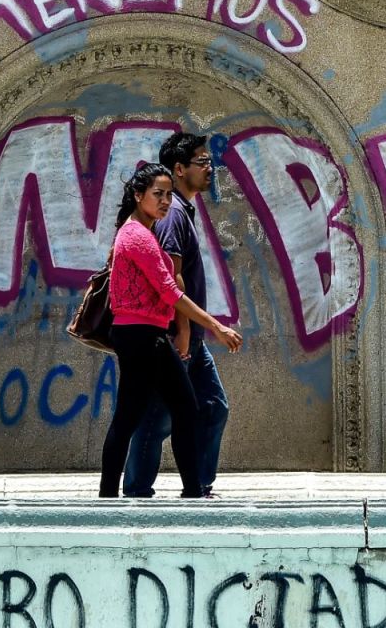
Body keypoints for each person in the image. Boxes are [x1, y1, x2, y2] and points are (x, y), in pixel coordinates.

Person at [100, 163, 242, 498]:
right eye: (157, 195)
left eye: (168, 195)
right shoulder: (136, 235)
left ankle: (120, 495)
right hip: (142, 337)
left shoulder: (140, 232)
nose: (165, 201)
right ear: (138, 196)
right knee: (158, 411)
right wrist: (216, 326)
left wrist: (182, 329)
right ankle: (185, 491)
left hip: (143, 335)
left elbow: (170, 281)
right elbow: (170, 291)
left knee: (150, 413)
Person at [124, 132, 229, 498]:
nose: (209, 167)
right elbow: (170, 279)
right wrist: (183, 330)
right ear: (180, 169)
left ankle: (197, 484)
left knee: (213, 406)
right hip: (176, 336)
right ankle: (137, 489)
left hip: (190, 338)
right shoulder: (172, 218)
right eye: (202, 161)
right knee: (157, 417)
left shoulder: (183, 211)